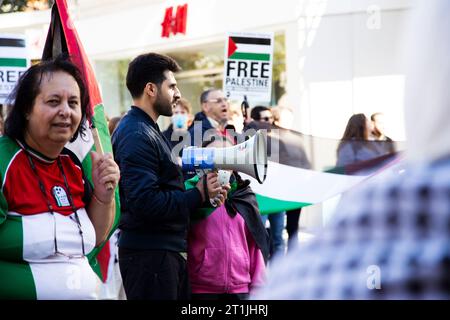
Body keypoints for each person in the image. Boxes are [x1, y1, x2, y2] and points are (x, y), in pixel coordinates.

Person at [252, 0, 450, 300]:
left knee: (289, 235)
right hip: (279, 190)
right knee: (275, 236)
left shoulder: (306, 279)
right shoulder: (270, 138)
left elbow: (306, 160)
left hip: (298, 192)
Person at [0, 56, 120, 299]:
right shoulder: (4, 160)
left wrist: (103, 195)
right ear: (26, 109)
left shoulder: (73, 166)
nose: (66, 111)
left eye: (73, 103)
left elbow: (96, 237)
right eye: (54, 101)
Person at [112, 53, 227, 300]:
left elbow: (164, 191)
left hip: (159, 255)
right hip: (151, 257)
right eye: (172, 86)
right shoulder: (136, 134)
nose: (177, 94)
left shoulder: (145, 128)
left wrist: (205, 196)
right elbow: (145, 203)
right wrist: (198, 194)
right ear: (151, 89)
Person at [185, 138, 269, 300]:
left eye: (228, 155)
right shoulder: (191, 194)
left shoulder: (244, 196)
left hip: (241, 288)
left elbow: (255, 242)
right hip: (200, 289)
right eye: (215, 155)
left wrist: (259, 286)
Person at [244, 106, 286, 259]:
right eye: (265, 119)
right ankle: (261, 277)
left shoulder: (277, 140)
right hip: (259, 198)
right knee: (259, 239)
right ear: (255, 120)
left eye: (271, 119)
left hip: (276, 196)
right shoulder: (247, 141)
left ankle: (279, 276)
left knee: (278, 239)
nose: (270, 122)